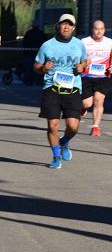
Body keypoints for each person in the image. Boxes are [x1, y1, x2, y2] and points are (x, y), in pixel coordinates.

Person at [34, 14, 88, 169]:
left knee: (73, 127)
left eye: (69, 25)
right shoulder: (47, 45)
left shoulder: (79, 44)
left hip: (72, 88)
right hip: (51, 88)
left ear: (73, 28)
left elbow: (85, 60)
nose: (66, 27)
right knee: (53, 126)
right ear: (58, 26)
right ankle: (56, 157)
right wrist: (44, 68)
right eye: (63, 24)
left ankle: (64, 141)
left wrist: (82, 67)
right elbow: (36, 66)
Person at [80, 20, 111, 136]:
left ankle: (95, 127)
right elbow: (78, 58)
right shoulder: (84, 42)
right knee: (87, 104)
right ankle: (83, 108)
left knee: (99, 100)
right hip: (86, 76)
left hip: (103, 76)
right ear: (92, 29)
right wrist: (83, 64)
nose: (99, 31)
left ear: (104, 30)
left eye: (102, 29)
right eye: (97, 29)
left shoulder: (110, 43)